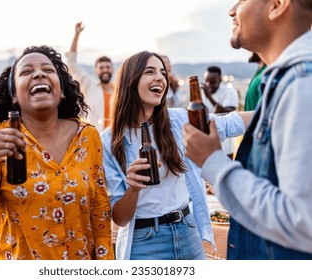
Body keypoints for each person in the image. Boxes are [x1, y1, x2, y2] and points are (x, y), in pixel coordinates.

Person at [183, 0, 312, 259]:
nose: (232, 10)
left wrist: (213, 162)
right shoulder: (286, 81)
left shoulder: (301, 83)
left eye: (241, 0)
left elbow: (303, 220)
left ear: (277, 5)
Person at [0, 45, 114, 260]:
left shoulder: (87, 136)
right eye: (26, 72)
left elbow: (100, 210)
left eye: (48, 70)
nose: (39, 74)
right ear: (14, 95)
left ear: (61, 90)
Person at [101, 50, 247, 260]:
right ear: (129, 81)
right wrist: (133, 188)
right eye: (150, 72)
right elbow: (120, 218)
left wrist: (274, 110)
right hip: (145, 242)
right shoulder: (109, 141)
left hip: (187, 231)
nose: (160, 77)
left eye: (162, 72)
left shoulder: (178, 120)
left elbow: (230, 123)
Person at [66, 22, 114, 132]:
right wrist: (77, 34)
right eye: (101, 67)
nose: (105, 70)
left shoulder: (119, 90)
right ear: (96, 70)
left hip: (115, 140)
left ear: (112, 69)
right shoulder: (89, 85)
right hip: (93, 137)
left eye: (108, 67)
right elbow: (71, 63)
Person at [201, 66, 239, 159]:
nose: (208, 85)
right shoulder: (203, 93)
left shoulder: (230, 92)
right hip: (208, 143)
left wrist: (209, 97)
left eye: (212, 82)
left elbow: (229, 112)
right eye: (206, 81)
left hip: (226, 144)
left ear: (220, 80)